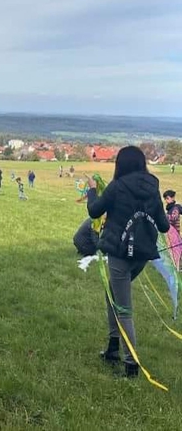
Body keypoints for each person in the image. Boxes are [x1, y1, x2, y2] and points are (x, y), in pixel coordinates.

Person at [86, 146, 169, 378]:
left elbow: (94, 211)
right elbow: (163, 225)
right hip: (142, 255)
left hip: (120, 254)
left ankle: (131, 365)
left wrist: (92, 191)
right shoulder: (153, 187)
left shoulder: (117, 186)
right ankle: (113, 347)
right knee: (111, 293)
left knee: (123, 308)